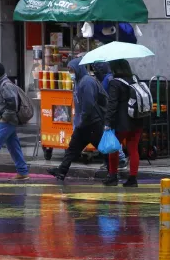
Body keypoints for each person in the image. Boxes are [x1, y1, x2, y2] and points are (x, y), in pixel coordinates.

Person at [48, 58, 106, 181]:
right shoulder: (79, 82)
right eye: (69, 70)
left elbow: (88, 104)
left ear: (78, 69)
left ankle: (113, 172)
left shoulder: (87, 82)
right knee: (72, 149)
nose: (70, 72)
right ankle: (61, 171)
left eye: (71, 69)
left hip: (92, 122)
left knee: (102, 148)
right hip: (84, 123)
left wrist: (82, 121)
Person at [102, 59, 144, 187]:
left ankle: (113, 176)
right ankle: (133, 178)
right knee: (133, 149)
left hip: (121, 122)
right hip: (137, 120)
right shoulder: (135, 79)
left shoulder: (115, 83)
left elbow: (112, 104)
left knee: (113, 148)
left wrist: (107, 122)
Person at [93, 62, 128, 171]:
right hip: (117, 113)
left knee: (112, 139)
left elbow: (105, 96)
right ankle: (116, 161)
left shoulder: (108, 80)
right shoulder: (112, 78)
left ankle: (118, 163)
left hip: (110, 113)